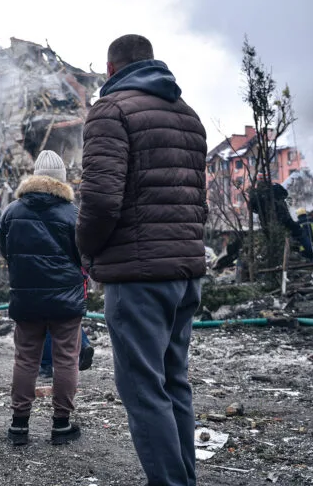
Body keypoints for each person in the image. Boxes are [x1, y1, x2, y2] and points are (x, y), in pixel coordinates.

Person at [76, 35, 207, 485]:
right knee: (174, 382)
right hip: (185, 272)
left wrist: (87, 252)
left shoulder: (111, 110)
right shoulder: (188, 115)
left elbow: (100, 202)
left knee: (143, 389)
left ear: (111, 70)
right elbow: (196, 200)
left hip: (138, 276)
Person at [0, 150, 86, 446]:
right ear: (61, 180)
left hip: (26, 300)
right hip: (66, 300)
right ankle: (61, 425)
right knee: (65, 360)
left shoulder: (12, 211)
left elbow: (5, 251)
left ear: (35, 176)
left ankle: (19, 425)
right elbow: (83, 256)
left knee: (25, 360)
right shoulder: (73, 214)